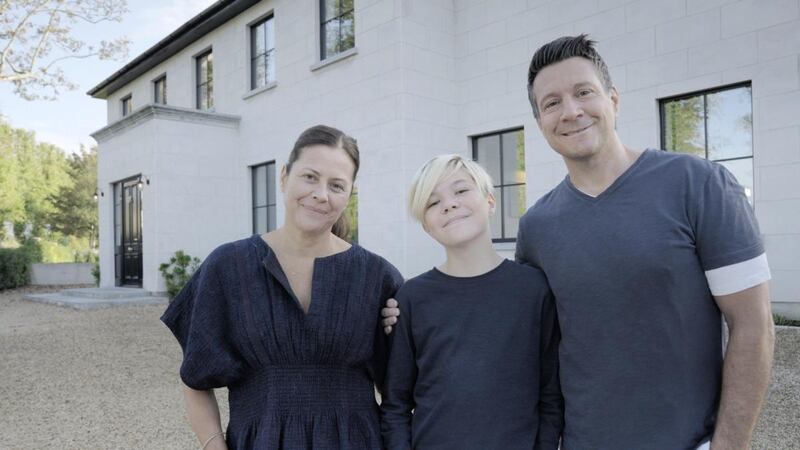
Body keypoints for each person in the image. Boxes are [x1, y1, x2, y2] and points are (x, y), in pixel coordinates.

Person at [383, 34, 775, 450]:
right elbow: (515, 323)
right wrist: (404, 310)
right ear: (540, 123)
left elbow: (754, 325)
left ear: (613, 99)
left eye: (583, 92)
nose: (570, 111)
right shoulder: (536, 227)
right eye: (552, 103)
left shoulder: (699, 184)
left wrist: (729, 445)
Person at [161, 125, 403, 450]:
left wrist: (411, 317)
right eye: (310, 177)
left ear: (349, 194)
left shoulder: (378, 277)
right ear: (284, 176)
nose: (321, 193)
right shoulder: (228, 266)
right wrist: (214, 446)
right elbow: (194, 378)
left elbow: (403, 393)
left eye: (336, 185)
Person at [380, 154, 562, 450]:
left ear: (490, 201)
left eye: (461, 190)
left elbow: (550, 395)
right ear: (426, 225)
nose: (449, 204)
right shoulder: (412, 298)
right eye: (432, 202)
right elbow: (396, 404)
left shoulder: (534, 290)